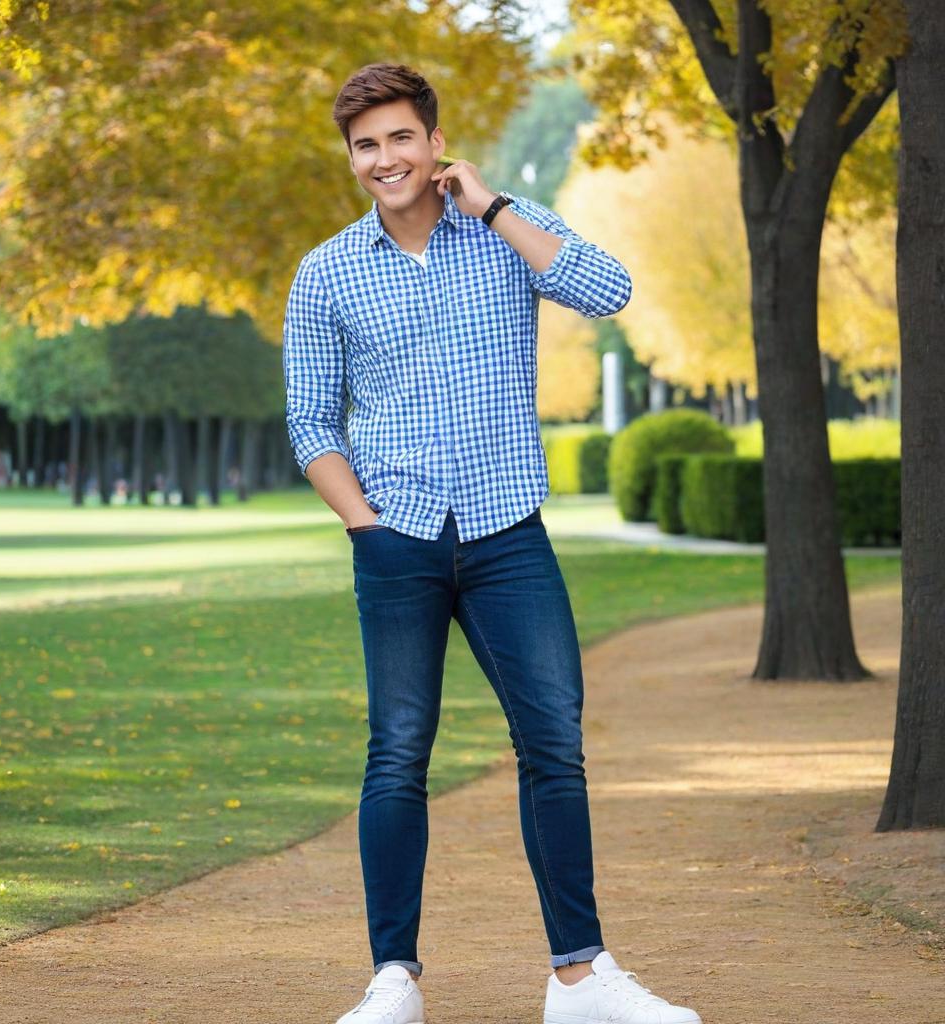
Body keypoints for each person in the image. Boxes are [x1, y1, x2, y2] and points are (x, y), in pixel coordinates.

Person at [282, 62, 701, 1024]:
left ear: (434, 143)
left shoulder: (505, 228)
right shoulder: (326, 271)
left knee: (553, 743)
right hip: (397, 539)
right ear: (352, 159)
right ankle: (394, 983)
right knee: (397, 753)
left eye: (399, 138)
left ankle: (581, 981)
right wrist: (365, 525)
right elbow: (312, 422)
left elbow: (610, 291)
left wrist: (498, 204)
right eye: (365, 145)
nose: (384, 158)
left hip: (509, 529)